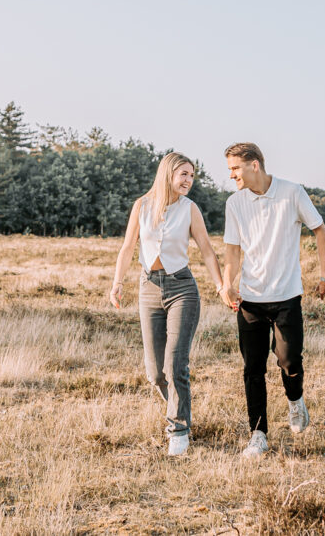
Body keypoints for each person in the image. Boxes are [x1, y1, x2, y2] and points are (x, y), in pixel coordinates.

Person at [109, 152, 233, 456]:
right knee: (155, 373)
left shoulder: (190, 209)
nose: (189, 180)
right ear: (168, 174)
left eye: (192, 175)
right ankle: (181, 408)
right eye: (184, 174)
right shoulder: (142, 206)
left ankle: (178, 428)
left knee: (176, 363)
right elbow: (128, 247)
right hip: (148, 288)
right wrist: (117, 283)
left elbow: (206, 250)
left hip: (182, 289)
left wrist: (221, 286)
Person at [221, 142, 325, 458]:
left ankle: (295, 401)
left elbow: (319, 230)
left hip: (287, 297)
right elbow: (232, 250)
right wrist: (227, 284)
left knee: (289, 360)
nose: (231, 175)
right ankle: (258, 434)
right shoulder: (235, 203)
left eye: (235, 168)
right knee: (253, 368)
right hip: (250, 300)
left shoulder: (292, 192)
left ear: (254, 165)